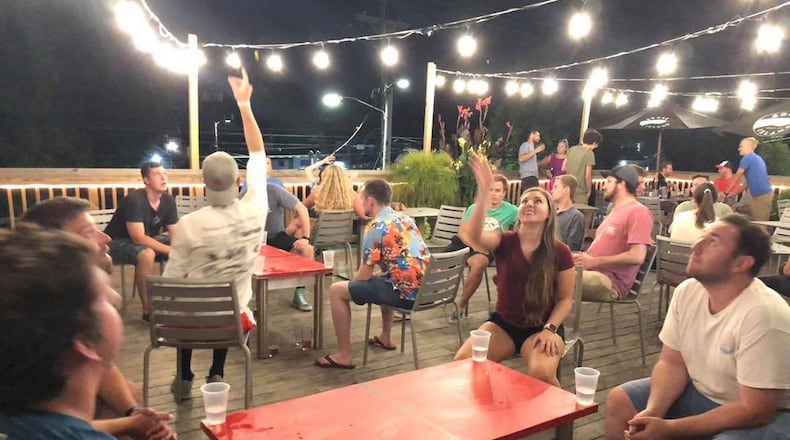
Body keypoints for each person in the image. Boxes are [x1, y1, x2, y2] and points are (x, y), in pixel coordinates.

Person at [605, 215, 790, 439]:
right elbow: (672, 363)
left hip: (768, 415)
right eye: (701, 237)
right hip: (701, 392)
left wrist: (670, 429)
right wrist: (653, 411)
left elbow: (755, 411)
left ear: (741, 264)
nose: (695, 246)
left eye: (712, 241)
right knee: (620, 400)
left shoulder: (765, 315)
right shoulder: (688, 291)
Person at [20, 198, 176, 439]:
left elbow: (99, 364)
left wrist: (133, 412)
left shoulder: (64, 301)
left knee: (130, 394)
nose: (106, 239)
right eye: (87, 233)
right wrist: (129, 424)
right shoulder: (37, 319)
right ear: (53, 249)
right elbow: (50, 425)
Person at [162, 67, 267, 398]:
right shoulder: (256, 209)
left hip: (189, 325)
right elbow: (258, 155)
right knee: (231, 302)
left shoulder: (190, 225)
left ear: (205, 184)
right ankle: (217, 371)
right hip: (233, 325)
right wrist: (245, 105)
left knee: (188, 303)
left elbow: (171, 282)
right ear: (239, 181)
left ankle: (183, 377)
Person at [453, 157, 575, 387]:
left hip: (542, 327)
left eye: (537, 201)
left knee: (542, 376)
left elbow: (566, 299)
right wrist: (482, 192)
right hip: (504, 324)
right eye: (524, 201)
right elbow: (475, 234)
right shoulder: (505, 241)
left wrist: (551, 329)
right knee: (462, 363)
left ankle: (559, 422)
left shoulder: (560, 252)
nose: (529, 203)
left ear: (549, 213)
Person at [315, 179, 430, 369]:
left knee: (337, 290)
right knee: (386, 276)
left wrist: (354, 284)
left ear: (370, 201)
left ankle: (344, 355)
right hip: (427, 289)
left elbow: (363, 276)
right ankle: (386, 336)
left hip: (406, 295)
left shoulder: (376, 227)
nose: (360, 203)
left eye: (361, 199)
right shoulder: (405, 219)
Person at [104, 162, 178, 321]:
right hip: (117, 242)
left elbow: (175, 234)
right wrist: (172, 251)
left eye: (164, 173)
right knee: (147, 254)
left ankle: (180, 301)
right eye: (157, 174)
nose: (163, 177)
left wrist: (182, 248)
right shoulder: (134, 201)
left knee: (187, 247)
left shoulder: (168, 200)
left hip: (147, 238)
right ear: (146, 180)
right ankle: (148, 311)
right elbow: (138, 237)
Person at [573, 165, 653, 301]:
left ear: (621, 184)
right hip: (591, 271)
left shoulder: (639, 212)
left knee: (552, 279)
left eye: (609, 181)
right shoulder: (615, 210)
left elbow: (637, 256)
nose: (604, 186)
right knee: (542, 269)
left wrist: (594, 261)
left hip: (609, 282)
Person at [446, 173, 519, 321]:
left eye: (498, 190)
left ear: (504, 193)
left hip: (487, 248)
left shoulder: (512, 211)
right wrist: (475, 246)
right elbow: (463, 232)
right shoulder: (475, 208)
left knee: (479, 264)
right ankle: (420, 300)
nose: (493, 194)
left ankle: (460, 306)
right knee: (434, 264)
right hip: (465, 242)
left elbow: (522, 227)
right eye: (490, 189)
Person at [265, 182, 315, 311]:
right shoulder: (245, 194)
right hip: (253, 239)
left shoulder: (273, 190)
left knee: (307, 249)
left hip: (276, 236)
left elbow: (302, 208)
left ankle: (299, 294)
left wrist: (305, 238)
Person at [287, 163, 367, 237]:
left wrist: (297, 216)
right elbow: (362, 216)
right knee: (300, 231)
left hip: (321, 234)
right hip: (343, 234)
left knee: (298, 222)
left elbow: (301, 208)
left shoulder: (317, 193)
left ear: (324, 178)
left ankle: (281, 245)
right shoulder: (353, 196)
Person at [725, 137, 773, 222]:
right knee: (756, 222)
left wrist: (726, 192)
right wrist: (734, 193)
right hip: (763, 195)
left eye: (741, 146)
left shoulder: (747, 158)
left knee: (760, 225)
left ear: (748, 147)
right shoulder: (756, 158)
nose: (738, 149)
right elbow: (747, 182)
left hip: (762, 196)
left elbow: (737, 177)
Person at [565, 128, 602, 205]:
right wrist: (589, 190)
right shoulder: (589, 154)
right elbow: (587, 175)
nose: (595, 147)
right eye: (596, 145)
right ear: (594, 143)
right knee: (580, 214)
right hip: (581, 192)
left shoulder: (571, 149)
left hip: (568, 189)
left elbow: (564, 167)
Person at [551, 174, 585, 251]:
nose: (552, 190)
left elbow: (572, 249)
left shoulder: (576, 217)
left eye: (555, 187)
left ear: (566, 190)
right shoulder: (551, 213)